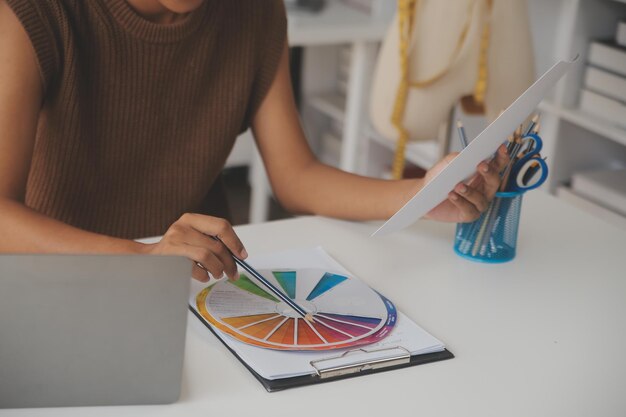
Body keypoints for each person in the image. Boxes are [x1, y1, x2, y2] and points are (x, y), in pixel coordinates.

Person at [0, 0, 508, 282]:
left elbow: (296, 176)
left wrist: (423, 195)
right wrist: (142, 259)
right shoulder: (32, 14)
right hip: (67, 278)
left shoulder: (255, 12)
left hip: (198, 280)